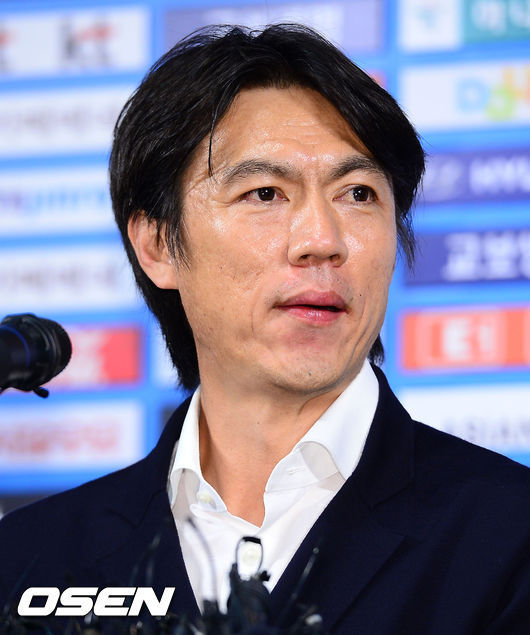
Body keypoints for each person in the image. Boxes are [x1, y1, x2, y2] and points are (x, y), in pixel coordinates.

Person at [1, 24, 529, 634]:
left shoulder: (508, 535)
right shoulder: (30, 559)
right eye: (265, 194)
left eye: (359, 193)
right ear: (157, 245)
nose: (322, 240)